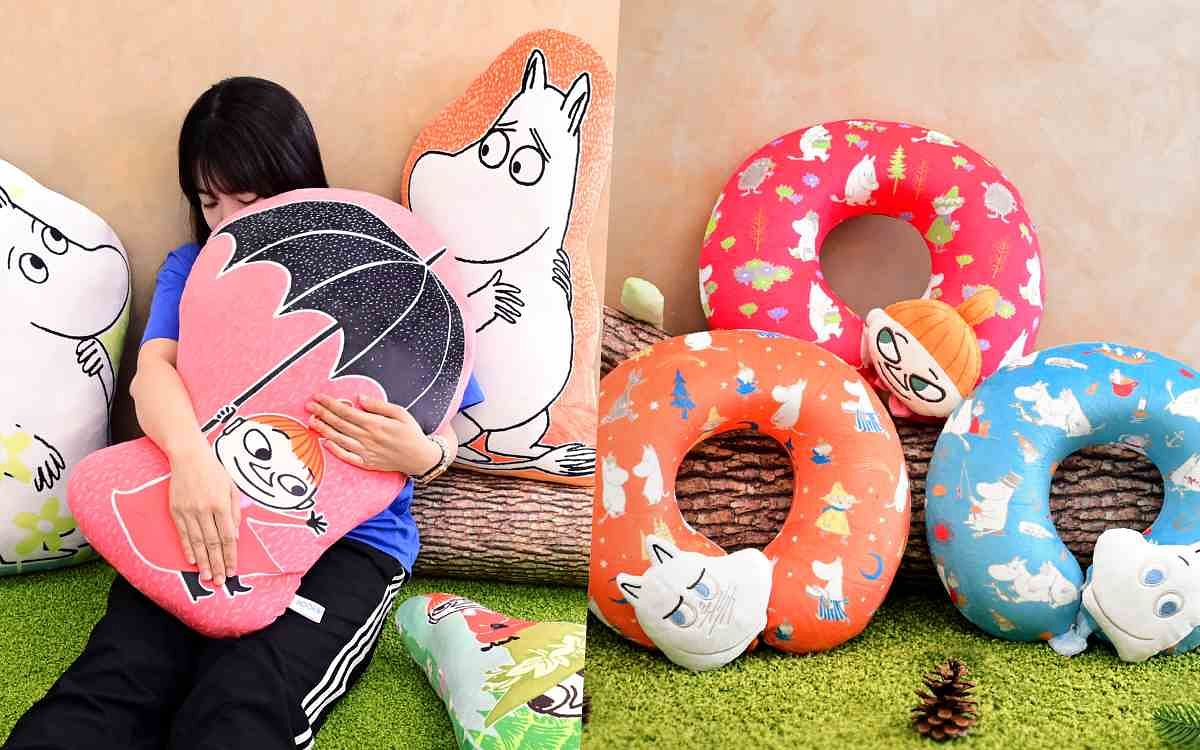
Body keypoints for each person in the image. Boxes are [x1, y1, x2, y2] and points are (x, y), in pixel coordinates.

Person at [2, 76, 482, 750]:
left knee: (246, 701)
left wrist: (424, 455)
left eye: (248, 200)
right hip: (197, 508)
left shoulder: (387, 277)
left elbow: (450, 421)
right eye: (209, 202)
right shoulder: (196, 267)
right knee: (116, 681)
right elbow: (153, 373)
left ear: (297, 181)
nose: (226, 219)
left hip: (350, 544)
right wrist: (192, 461)